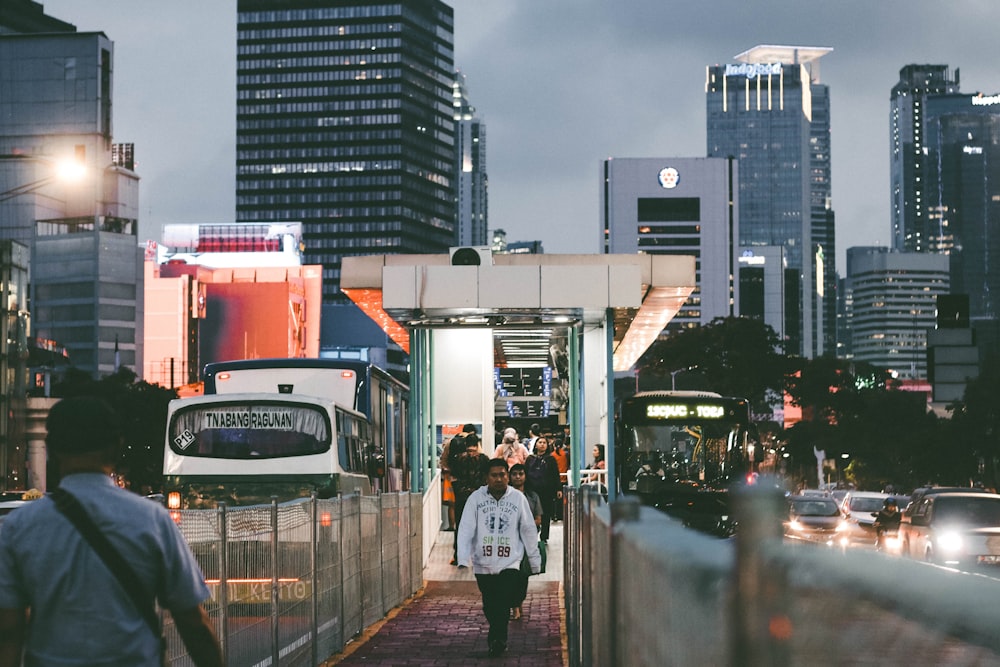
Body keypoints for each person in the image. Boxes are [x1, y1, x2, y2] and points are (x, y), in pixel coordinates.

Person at [0, 396, 223, 667]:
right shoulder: (151, 520)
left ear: (50, 449)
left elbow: (9, 630)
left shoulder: (18, 527)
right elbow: (192, 622)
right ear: (116, 448)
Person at [456, 458, 541, 657]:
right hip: (482, 563)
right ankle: (497, 635)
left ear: (507, 476)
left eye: (503, 474)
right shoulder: (476, 499)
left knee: (502, 602)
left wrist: (534, 560)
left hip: (510, 561)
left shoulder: (518, 499)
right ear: (487, 477)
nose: (499, 479)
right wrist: (462, 557)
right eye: (494, 475)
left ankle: (497, 639)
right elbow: (466, 528)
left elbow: (528, 529)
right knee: (490, 604)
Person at [507, 463, 541, 621]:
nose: (518, 477)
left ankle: (517, 605)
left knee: (522, 577)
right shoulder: (503, 496)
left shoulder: (533, 496)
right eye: (514, 474)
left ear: (526, 476)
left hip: (526, 543)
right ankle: (513, 607)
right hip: (507, 543)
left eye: (521, 473)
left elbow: (538, 519)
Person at [450, 432, 489, 565]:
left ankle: (459, 556)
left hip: (462, 497)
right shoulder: (483, 459)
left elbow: (453, 476)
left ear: (465, 444)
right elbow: (487, 477)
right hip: (479, 497)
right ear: (478, 444)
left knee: (461, 525)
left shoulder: (458, 458)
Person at [525, 436, 562, 542]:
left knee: (546, 514)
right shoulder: (530, 459)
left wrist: (558, 489)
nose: (542, 444)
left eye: (544, 443)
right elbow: (526, 473)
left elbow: (555, 475)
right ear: (536, 444)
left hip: (547, 491)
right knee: (531, 513)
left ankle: (544, 536)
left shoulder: (551, 459)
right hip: (532, 490)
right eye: (540, 442)